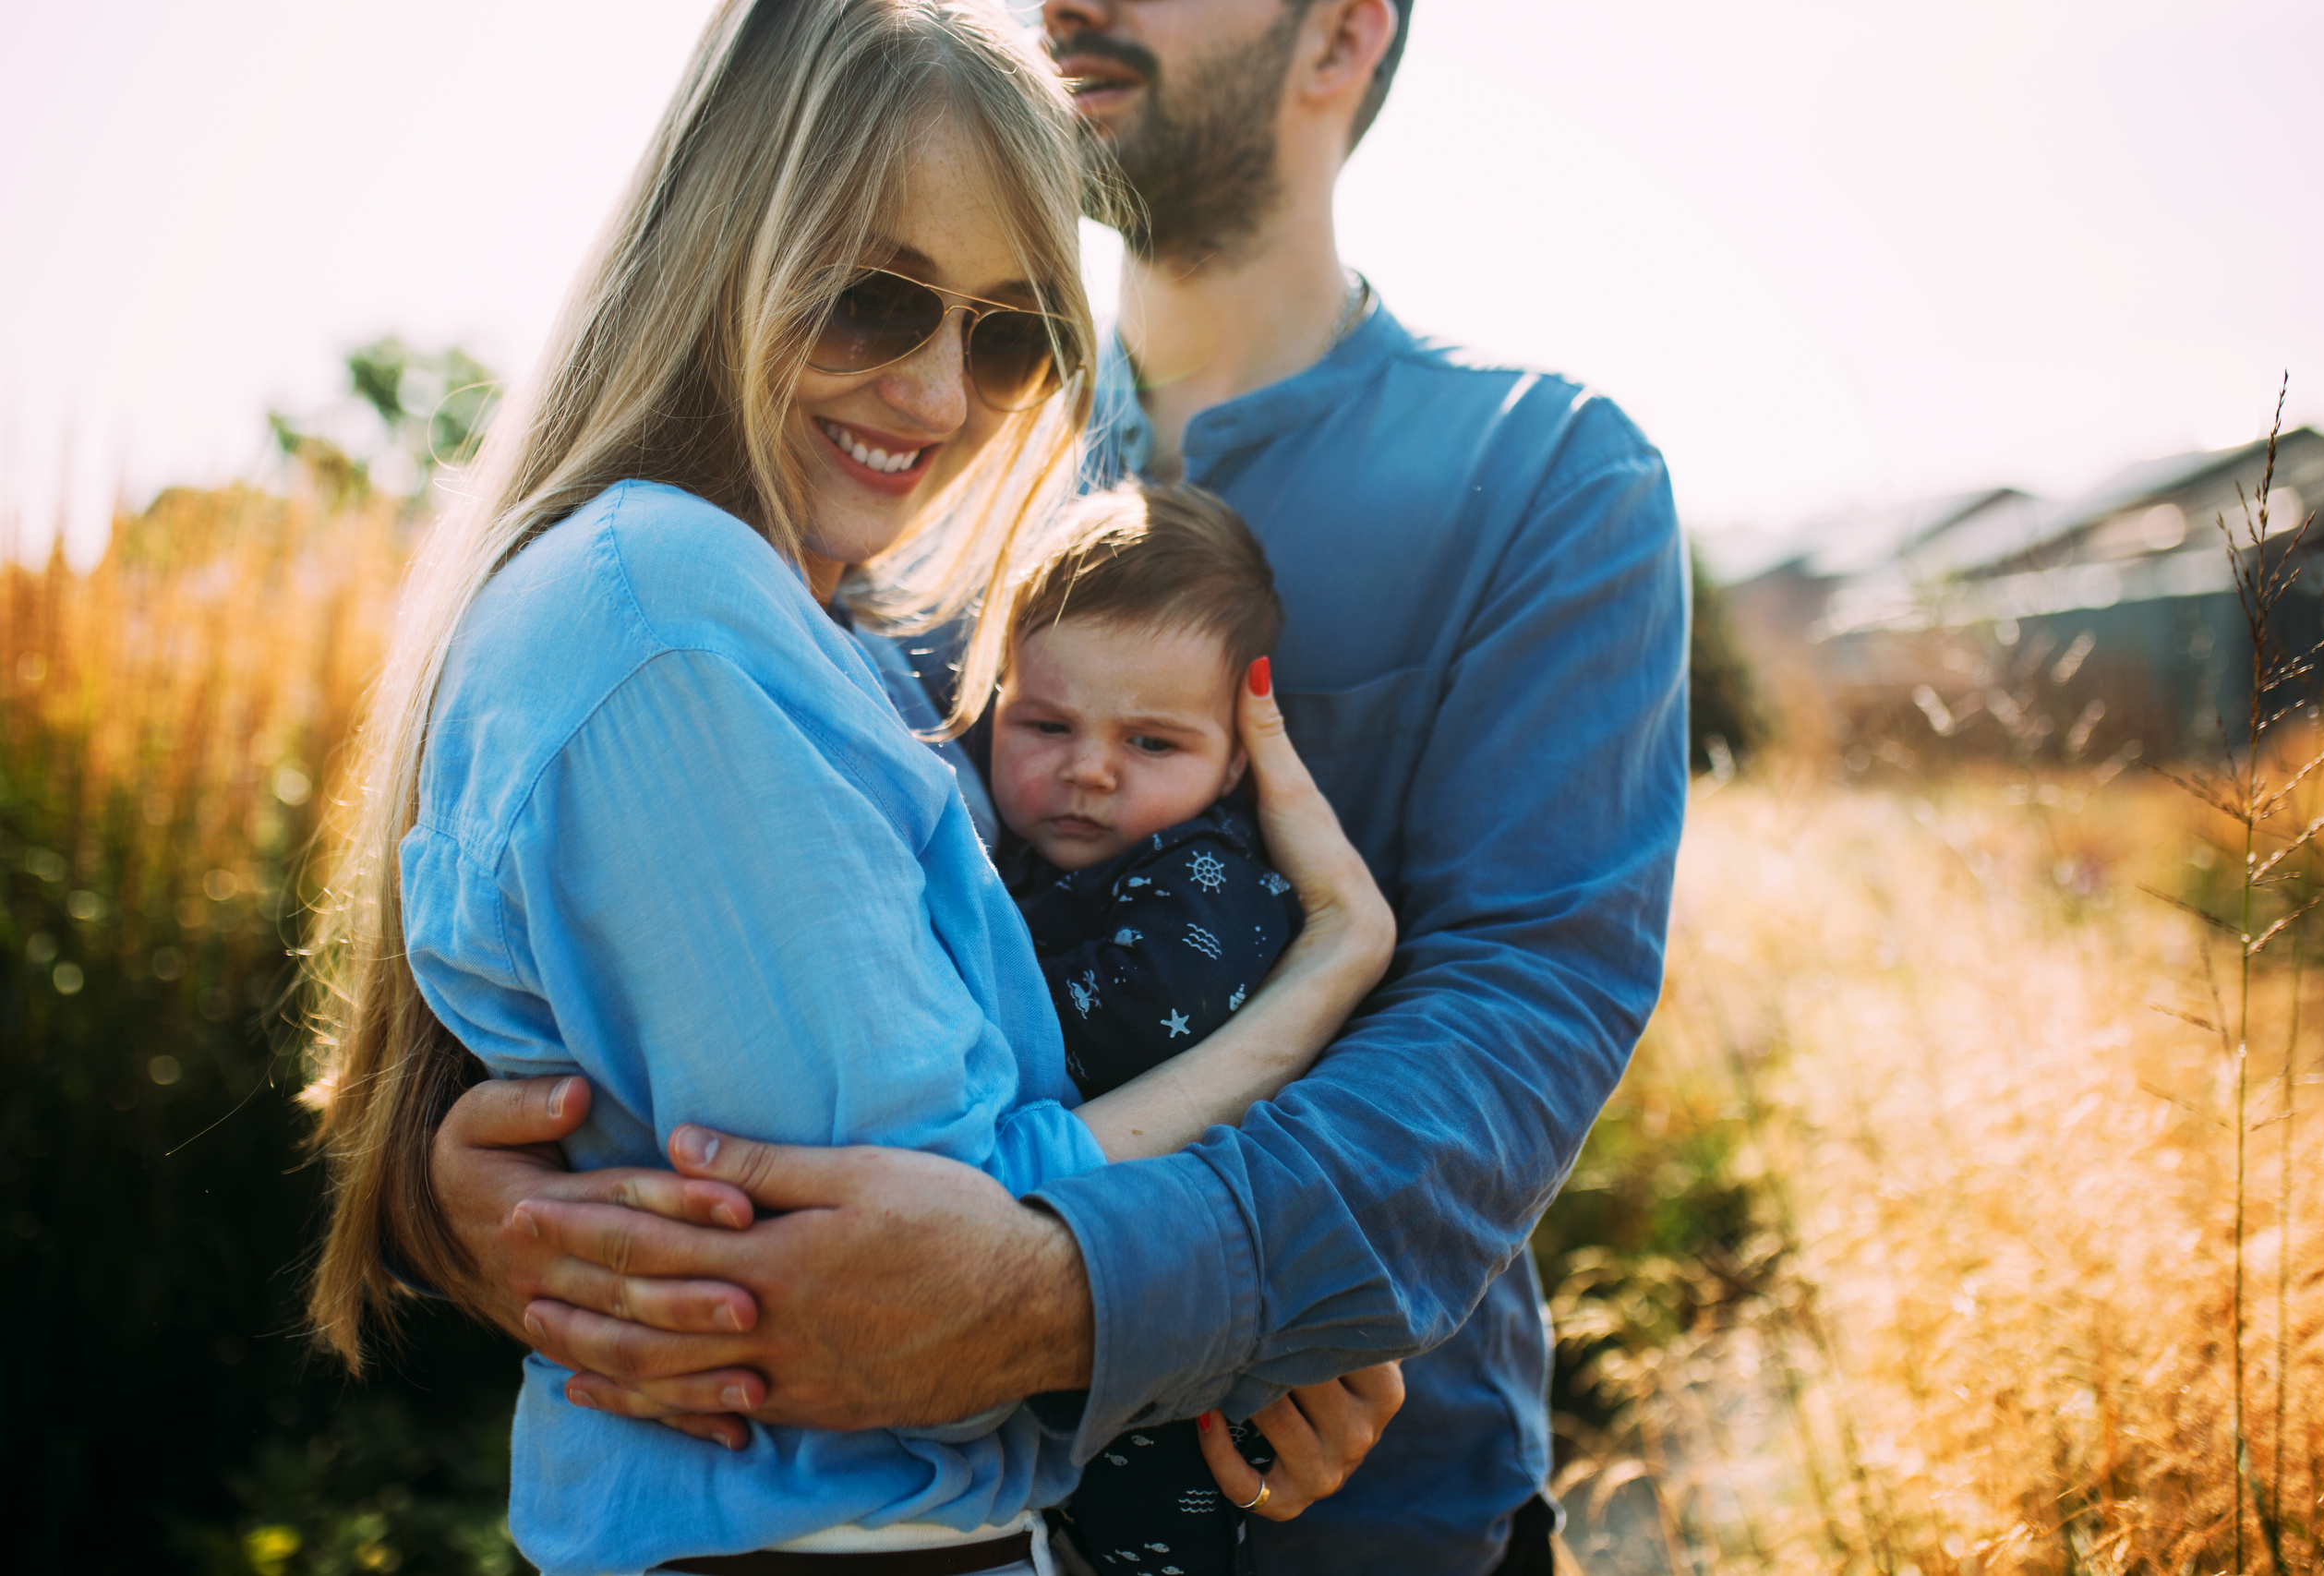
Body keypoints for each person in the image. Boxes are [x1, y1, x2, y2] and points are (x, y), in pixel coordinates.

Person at [419, 1, 1691, 1572]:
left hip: (1351, 1509)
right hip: (954, 1516)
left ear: (1346, 31)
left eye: (1006, 329)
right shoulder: (916, 472)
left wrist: (1134, 1300)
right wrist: (495, 1210)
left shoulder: (1548, 472)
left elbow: (1517, 1017)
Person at [992, 483, 1299, 1575]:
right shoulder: (1020, 858)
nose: (1089, 770)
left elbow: (1127, 1021)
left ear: (1234, 759)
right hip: (1049, 1314)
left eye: (1153, 742)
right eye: (1045, 724)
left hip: (1168, 1342)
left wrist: (939, 995)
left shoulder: (1208, 874)